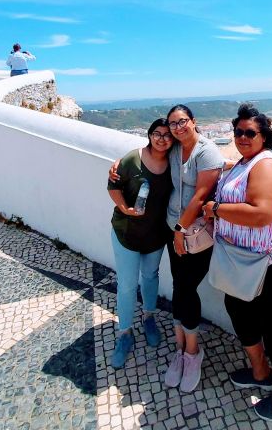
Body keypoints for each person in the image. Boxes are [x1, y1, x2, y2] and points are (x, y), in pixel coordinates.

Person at [109, 104, 224, 392]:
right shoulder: (170, 150)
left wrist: (179, 232)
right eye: (172, 124)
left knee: (184, 288)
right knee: (169, 288)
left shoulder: (205, 150)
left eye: (181, 122)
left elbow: (200, 195)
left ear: (193, 122)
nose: (174, 129)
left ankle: (191, 352)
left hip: (190, 233)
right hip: (167, 230)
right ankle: (170, 345)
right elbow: (144, 157)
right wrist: (118, 165)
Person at [201, 103, 272, 421]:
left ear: (264, 136)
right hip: (241, 257)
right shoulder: (243, 163)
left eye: (250, 132)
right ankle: (261, 374)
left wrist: (215, 209)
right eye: (238, 131)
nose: (242, 137)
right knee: (238, 309)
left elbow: (263, 214)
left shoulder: (268, 167)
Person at [106, 119, 174, 368]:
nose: (162, 139)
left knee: (151, 276)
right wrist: (125, 208)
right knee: (126, 285)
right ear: (149, 134)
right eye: (157, 133)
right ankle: (124, 334)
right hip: (127, 233)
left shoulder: (174, 162)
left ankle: (149, 317)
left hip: (156, 236)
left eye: (167, 135)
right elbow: (113, 186)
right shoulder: (132, 159)